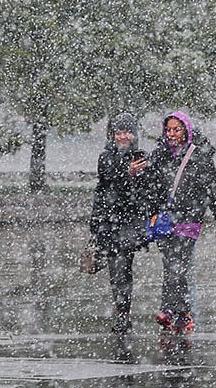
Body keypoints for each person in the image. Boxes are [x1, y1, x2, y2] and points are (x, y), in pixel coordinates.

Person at [148, 111, 216, 338]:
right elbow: (151, 186)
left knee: (178, 266)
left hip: (190, 219)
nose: (172, 134)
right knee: (170, 266)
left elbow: (212, 188)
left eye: (176, 129)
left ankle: (173, 311)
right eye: (169, 130)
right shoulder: (161, 155)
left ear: (186, 130)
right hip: (166, 221)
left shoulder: (199, 156)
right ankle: (178, 313)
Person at [89, 113, 163, 335]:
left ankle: (124, 313)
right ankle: (122, 312)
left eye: (126, 132)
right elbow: (108, 183)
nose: (122, 137)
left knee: (123, 267)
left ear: (134, 134)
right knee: (115, 269)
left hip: (130, 222)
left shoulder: (141, 156)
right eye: (118, 132)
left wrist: (144, 173)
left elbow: (150, 189)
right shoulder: (106, 157)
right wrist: (127, 173)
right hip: (109, 222)